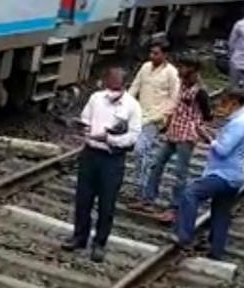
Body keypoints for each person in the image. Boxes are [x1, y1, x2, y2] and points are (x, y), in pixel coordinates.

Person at [63, 67, 143, 262]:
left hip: (112, 158)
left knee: (107, 203)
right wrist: (85, 129)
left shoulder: (132, 106)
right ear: (106, 81)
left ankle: (100, 243)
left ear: (124, 86)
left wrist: (109, 139)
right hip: (90, 154)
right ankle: (79, 236)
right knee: (83, 199)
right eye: (110, 86)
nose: (112, 92)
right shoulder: (96, 98)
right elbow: (85, 118)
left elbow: (133, 136)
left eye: (117, 88)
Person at [173, 90, 244, 261]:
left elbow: (223, 150)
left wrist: (208, 138)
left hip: (224, 175)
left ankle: (184, 237)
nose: (220, 108)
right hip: (233, 175)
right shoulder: (241, 120)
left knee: (190, 192)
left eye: (224, 103)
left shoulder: (240, 123)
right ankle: (216, 250)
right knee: (220, 211)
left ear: (234, 103)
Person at [143, 58, 212, 223]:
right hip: (173, 132)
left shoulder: (200, 91)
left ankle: (175, 207)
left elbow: (208, 115)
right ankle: (148, 198)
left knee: (180, 173)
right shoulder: (182, 84)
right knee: (156, 164)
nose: (181, 69)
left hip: (186, 136)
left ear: (193, 69)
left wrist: (197, 126)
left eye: (184, 66)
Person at [127, 40, 179, 193]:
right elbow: (135, 87)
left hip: (156, 117)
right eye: (151, 53)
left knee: (140, 148)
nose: (152, 56)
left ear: (165, 55)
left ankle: (141, 184)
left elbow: (174, 97)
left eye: (156, 53)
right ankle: (141, 182)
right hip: (139, 113)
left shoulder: (171, 72)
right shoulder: (145, 67)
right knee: (140, 149)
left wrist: (165, 116)